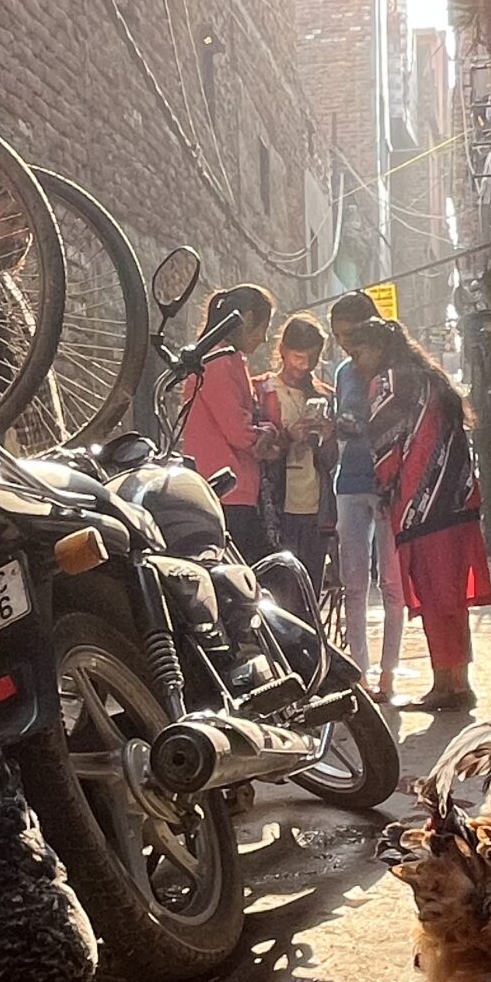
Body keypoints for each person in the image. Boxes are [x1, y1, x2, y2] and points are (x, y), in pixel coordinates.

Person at [363, 315, 491, 712]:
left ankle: (443, 684)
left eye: (358, 351)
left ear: (378, 349)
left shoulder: (389, 383)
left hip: (422, 505)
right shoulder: (432, 378)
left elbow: (385, 449)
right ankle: (459, 680)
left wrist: (386, 490)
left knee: (435, 595)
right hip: (456, 499)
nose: (356, 360)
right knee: (451, 596)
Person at [327, 292, 405, 701]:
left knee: (392, 584)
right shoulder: (343, 371)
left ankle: (388, 675)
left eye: (350, 335)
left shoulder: (397, 370)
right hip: (351, 482)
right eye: (338, 336)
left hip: (388, 484)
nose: (345, 345)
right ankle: (358, 675)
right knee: (353, 585)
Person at [177, 283, 277, 560]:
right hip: (225, 488)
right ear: (245, 319)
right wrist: (267, 433)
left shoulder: (229, 359)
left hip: (234, 486)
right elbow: (239, 431)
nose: (264, 337)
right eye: (262, 326)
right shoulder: (217, 360)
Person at [257, 313, 336, 586]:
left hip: (315, 508)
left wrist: (327, 436)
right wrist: (288, 437)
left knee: (311, 587)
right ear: (282, 351)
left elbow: (333, 461)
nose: (304, 366)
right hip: (277, 508)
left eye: (312, 359)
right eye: (298, 357)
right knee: (278, 588)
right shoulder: (262, 391)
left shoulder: (325, 396)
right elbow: (255, 449)